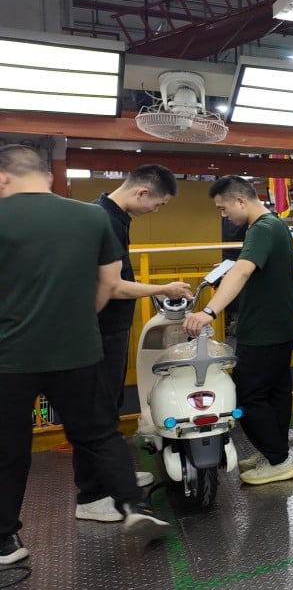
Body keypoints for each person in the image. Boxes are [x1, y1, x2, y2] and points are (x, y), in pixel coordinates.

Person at [0, 145, 170, 566]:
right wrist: (75, 321)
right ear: (49, 178)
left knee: (9, 447)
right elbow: (108, 285)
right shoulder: (92, 216)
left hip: (9, 357)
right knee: (98, 433)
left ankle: (5, 541)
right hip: (77, 348)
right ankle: (134, 506)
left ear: (3, 178)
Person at [74, 165, 194, 523]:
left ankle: (115, 479)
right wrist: (163, 288)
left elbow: (119, 277)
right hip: (98, 330)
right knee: (95, 412)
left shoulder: (116, 217)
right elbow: (113, 286)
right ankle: (91, 496)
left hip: (112, 328)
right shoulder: (104, 219)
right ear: (142, 193)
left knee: (108, 406)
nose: (156, 211)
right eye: (158, 204)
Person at [182, 175, 293, 486]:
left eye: (223, 209)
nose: (225, 216)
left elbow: (244, 269)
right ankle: (275, 453)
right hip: (281, 324)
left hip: (265, 329)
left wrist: (209, 311)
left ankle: (277, 459)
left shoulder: (261, 229)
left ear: (240, 200)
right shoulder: (273, 225)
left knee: (247, 395)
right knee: (275, 392)